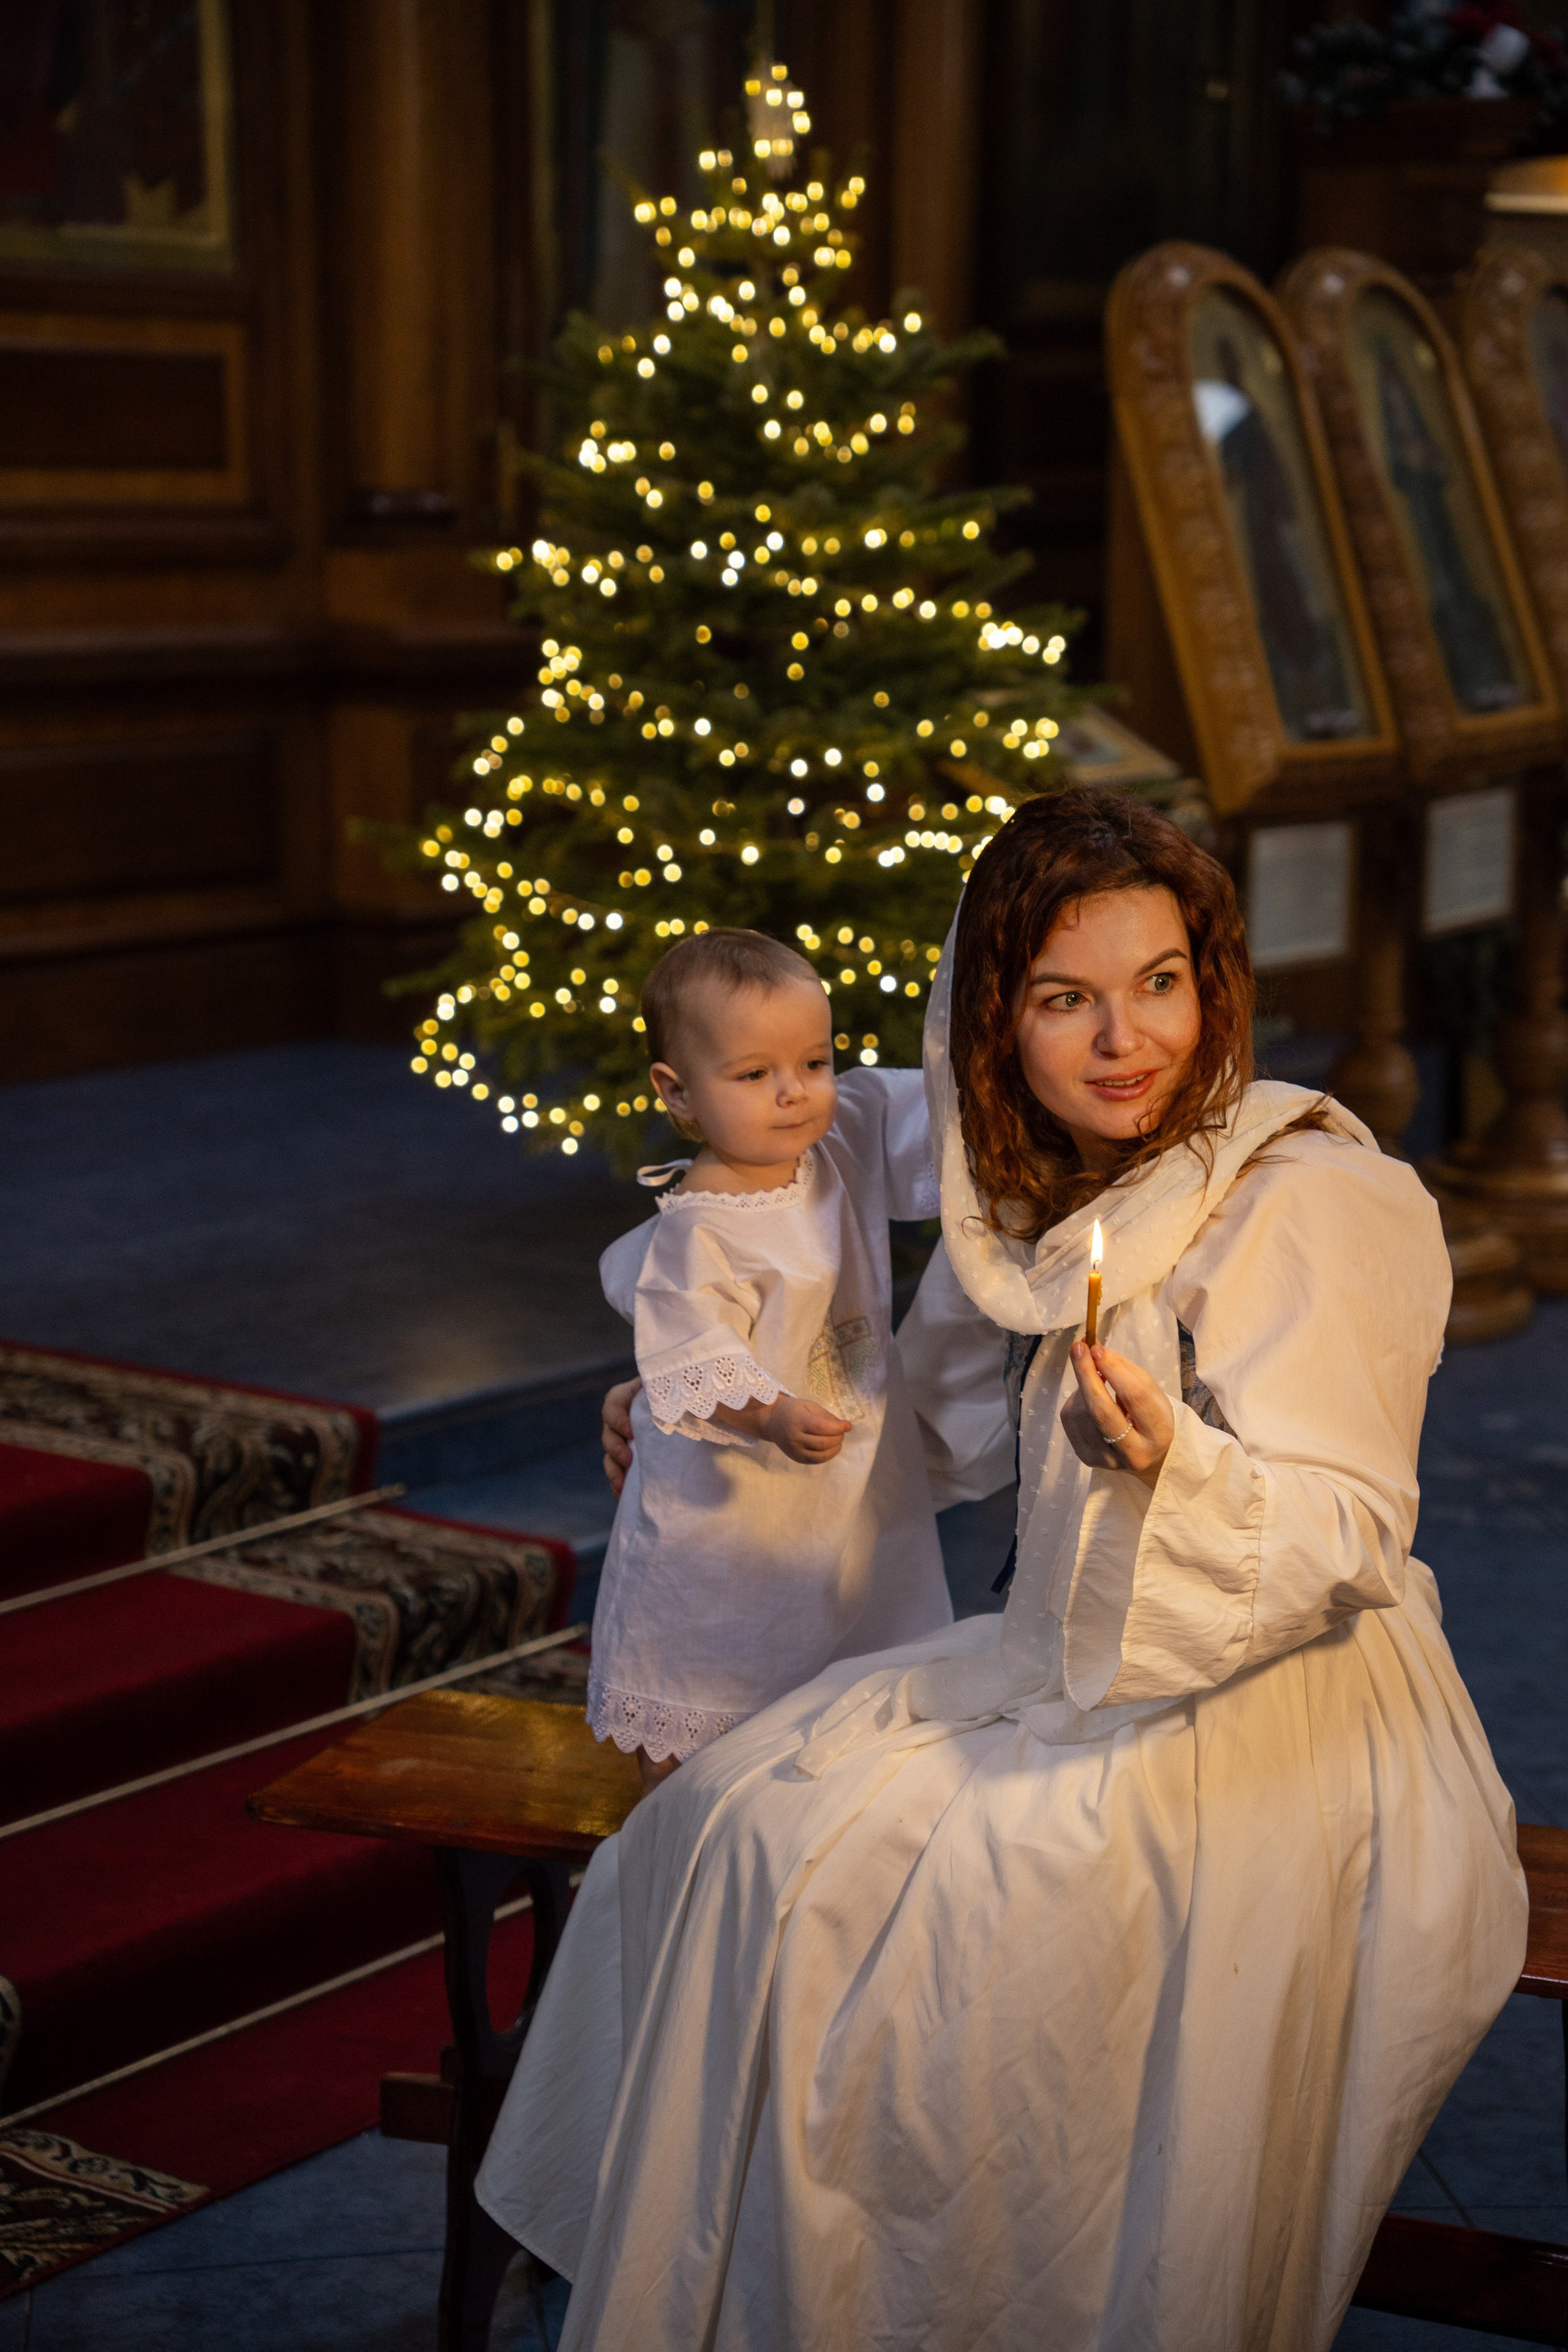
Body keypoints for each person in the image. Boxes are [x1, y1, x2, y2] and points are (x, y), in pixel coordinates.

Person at [478, 788, 1526, 2351]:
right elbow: (918, 1437)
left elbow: (1352, 1535)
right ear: (998, 1022)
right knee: (729, 1830)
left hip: (1283, 1702)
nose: (1124, 1039)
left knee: (941, 1937)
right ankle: (736, 2289)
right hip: (1065, 1657)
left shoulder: (1311, 1200)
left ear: (1212, 977)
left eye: (1159, 980)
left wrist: (1182, 1462)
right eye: (1063, 998)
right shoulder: (1056, 1198)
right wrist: (691, 1401)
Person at [587, 927, 952, 1792]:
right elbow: (696, 1357)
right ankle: (669, 1846)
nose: (795, 1094)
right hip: (724, 1512)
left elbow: (935, 1108)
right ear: (678, 1095)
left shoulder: (839, 1143)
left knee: (843, 1672)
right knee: (703, 1703)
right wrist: (774, 1413)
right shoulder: (698, 1229)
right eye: (754, 1075)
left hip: (841, 1490)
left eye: (815, 1063)